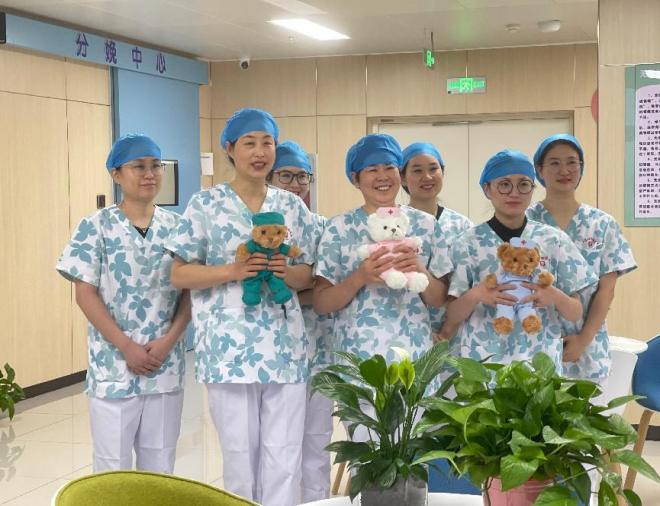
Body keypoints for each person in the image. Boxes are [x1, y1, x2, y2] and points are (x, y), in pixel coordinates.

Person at [166, 109, 315, 506]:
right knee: (238, 455)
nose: (260, 152)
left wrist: (288, 272)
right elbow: (179, 274)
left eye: (267, 143)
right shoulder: (205, 204)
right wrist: (231, 271)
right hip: (227, 349)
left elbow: (308, 274)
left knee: (285, 455)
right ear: (230, 149)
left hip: (285, 347)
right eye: (249, 143)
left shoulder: (293, 206)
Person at [56, 133, 191, 473]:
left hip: (164, 363)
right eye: (138, 167)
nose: (149, 174)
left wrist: (169, 341)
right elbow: (85, 293)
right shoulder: (95, 227)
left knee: (160, 465)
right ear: (116, 174)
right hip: (113, 365)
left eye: (156, 166)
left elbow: (190, 292)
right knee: (111, 467)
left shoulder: (179, 228)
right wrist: (126, 346)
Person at [313, 133, 451, 399]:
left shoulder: (425, 225)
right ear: (355, 179)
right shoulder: (339, 228)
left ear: (400, 173)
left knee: (415, 424)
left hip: (414, 354)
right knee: (366, 424)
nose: (382, 176)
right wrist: (359, 277)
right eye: (372, 169)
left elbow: (439, 299)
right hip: (360, 357)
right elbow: (321, 303)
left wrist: (419, 270)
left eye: (389, 167)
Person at [440, 149, 598, 371]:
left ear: (532, 189)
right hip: (483, 362)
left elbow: (575, 312)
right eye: (504, 184)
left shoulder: (554, 240)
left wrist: (554, 295)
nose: (514, 193)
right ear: (487, 189)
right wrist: (477, 294)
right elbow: (452, 314)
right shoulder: (467, 243)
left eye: (524, 184)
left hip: (539, 363)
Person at [527, 134, 637, 385]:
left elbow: (606, 291)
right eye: (554, 163)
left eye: (571, 162)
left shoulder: (602, 224)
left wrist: (583, 340)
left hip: (587, 345)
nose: (564, 170)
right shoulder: (525, 222)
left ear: (581, 167)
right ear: (539, 170)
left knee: (586, 409)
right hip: (533, 341)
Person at [268, 139, 334, 502]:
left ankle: (316, 502)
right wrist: (303, 286)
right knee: (279, 445)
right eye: (286, 176)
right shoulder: (260, 230)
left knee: (318, 440)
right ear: (270, 177)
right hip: (273, 355)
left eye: (303, 177)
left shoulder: (324, 227)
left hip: (319, 348)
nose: (296, 185)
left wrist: (297, 288)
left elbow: (325, 288)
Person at [400, 141, 472, 343]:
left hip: (455, 335)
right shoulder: (393, 223)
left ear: (443, 172)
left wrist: (447, 331)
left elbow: (469, 282)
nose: (427, 177)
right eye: (417, 170)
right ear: (402, 177)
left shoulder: (462, 226)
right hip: (405, 333)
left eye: (433, 169)